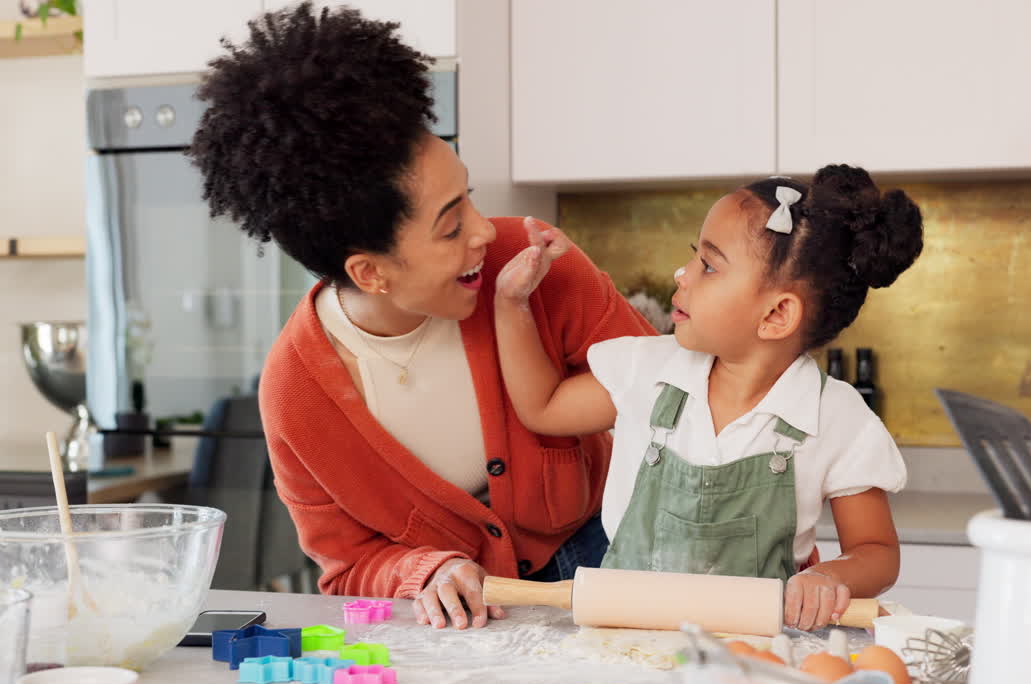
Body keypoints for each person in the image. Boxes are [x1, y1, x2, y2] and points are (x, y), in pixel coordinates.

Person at [186, 2, 654, 631]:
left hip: (612, 552)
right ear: (370, 273)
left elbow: (668, 390)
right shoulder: (297, 396)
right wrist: (428, 570)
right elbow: (349, 564)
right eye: (451, 227)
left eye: (469, 197)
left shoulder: (532, 262)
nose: (485, 232)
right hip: (466, 618)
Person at [494, 166, 923, 630]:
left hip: (755, 650)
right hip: (624, 640)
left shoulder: (834, 416)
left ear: (777, 314)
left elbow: (877, 551)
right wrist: (511, 304)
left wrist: (829, 576)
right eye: (694, 256)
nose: (682, 274)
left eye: (709, 265)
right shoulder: (647, 370)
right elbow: (543, 407)